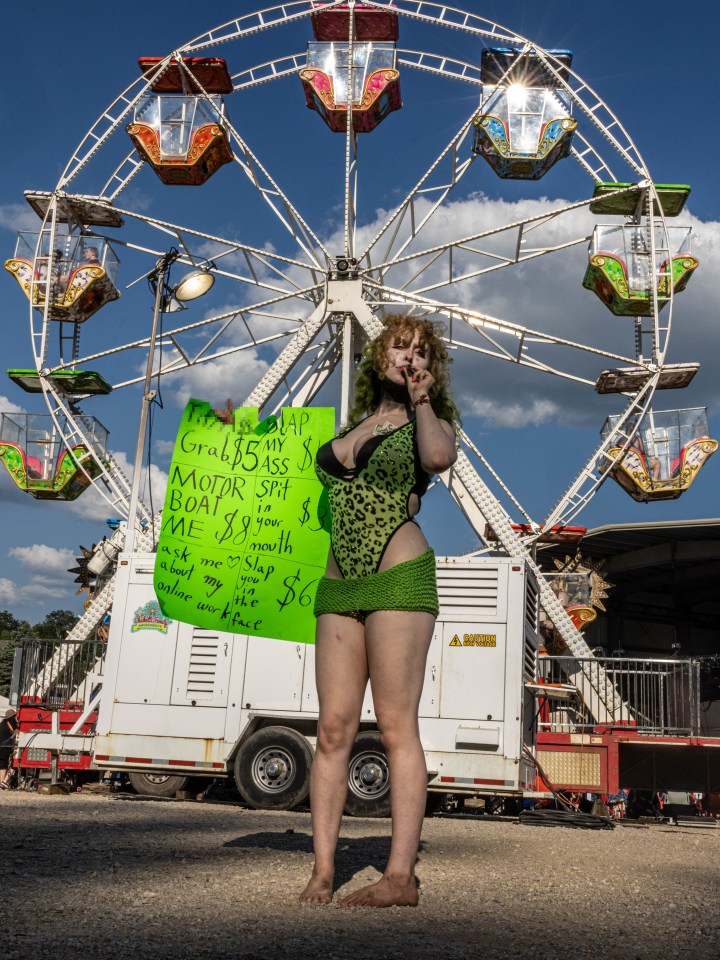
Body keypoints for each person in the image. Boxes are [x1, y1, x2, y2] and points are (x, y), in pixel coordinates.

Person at [299, 314, 459, 908]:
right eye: (400, 345)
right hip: (339, 587)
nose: (409, 355)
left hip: (398, 577)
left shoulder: (429, 423)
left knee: (395, 727)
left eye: (421, 351)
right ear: (378, 355)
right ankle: (322, 870)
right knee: (333, 728)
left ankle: (399, 878)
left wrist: (422, 402)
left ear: (430, 368)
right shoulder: (356, 423)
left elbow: (439, 459)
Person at [0, 708, 19, 789]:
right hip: (7, 747)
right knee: (14, 764)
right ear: (13, 716)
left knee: (2, 765)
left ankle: (1, 784)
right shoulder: (13, 723)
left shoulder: (2, 723)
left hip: (1, 747)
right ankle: (5, 781)